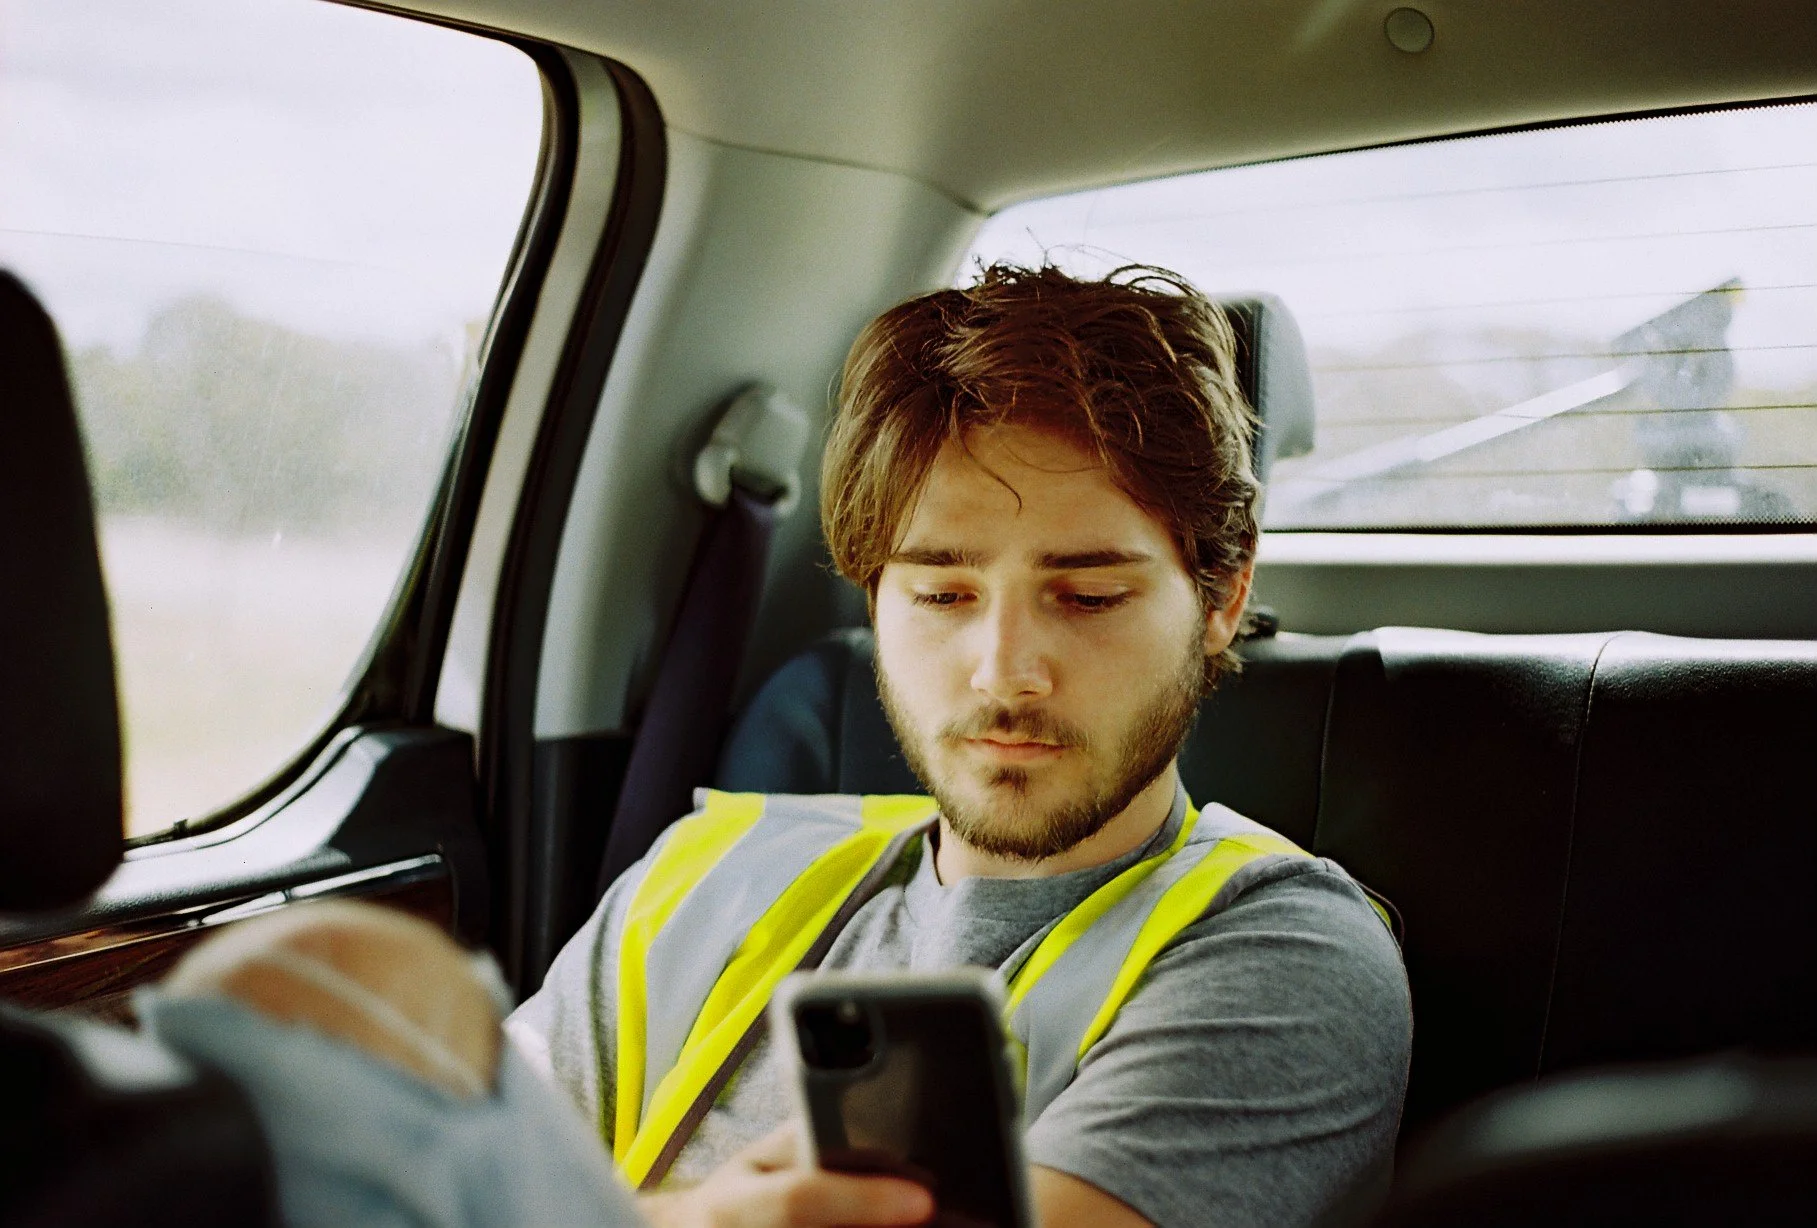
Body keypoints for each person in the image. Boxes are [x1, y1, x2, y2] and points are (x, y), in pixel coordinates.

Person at [510, 263, 1413, 1228]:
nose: (1003, 672)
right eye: (941, 595)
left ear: (1221, 598)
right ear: (874, 601)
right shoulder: (701, 870)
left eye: (1089, 597)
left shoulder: (1289, 953)